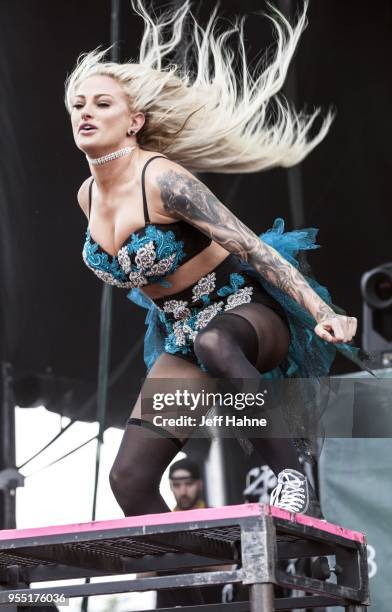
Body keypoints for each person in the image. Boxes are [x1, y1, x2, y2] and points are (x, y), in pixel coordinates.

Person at [65, 0, 369, 523]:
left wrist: (322, 312)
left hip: (247, 314)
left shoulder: (163, 179)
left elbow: (252, 246)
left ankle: (293, 476)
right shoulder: (87, 196)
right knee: (129, 480)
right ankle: (201, 583)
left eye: (101, 103)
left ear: (134, 121)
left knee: (215, 342)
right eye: (77, 104)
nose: (86, 112)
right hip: (180, 333)